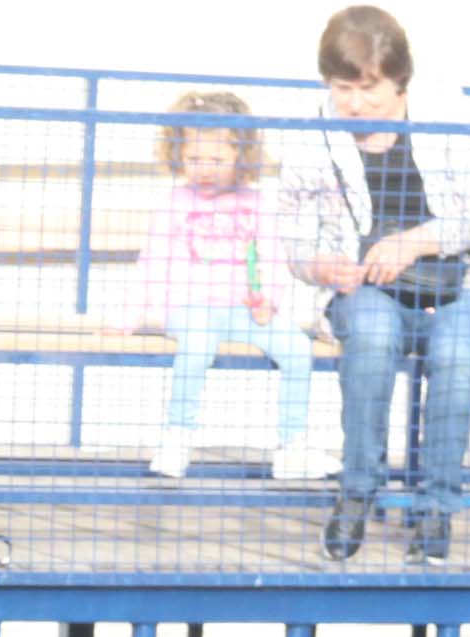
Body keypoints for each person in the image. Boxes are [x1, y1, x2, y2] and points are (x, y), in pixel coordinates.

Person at [281, 5, 470, 563]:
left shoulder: (445, 111)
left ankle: (436, 510)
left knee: (453, 360)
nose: (354, 102)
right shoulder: (312, 135)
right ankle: (356, 492)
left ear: (399, 79)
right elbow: (295, 243)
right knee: (372, 343)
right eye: (342, 87)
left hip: (454, 277)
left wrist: (415, 241)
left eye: (369, 87)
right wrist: (321, 266)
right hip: (366, 287)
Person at [121, 93, 323, 483]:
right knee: (198, 346)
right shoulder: (173, 203)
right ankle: (177, 438)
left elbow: (272, 258)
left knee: (298, 349)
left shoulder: (258, 203)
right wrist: (130, 316)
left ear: (242, 156)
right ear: (178, 153)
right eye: (194, 159)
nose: (205, 170)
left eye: (217, 160)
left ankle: (292, 446)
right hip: (189, 308)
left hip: (245, 311)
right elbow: (151, 260)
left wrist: (269, 301)